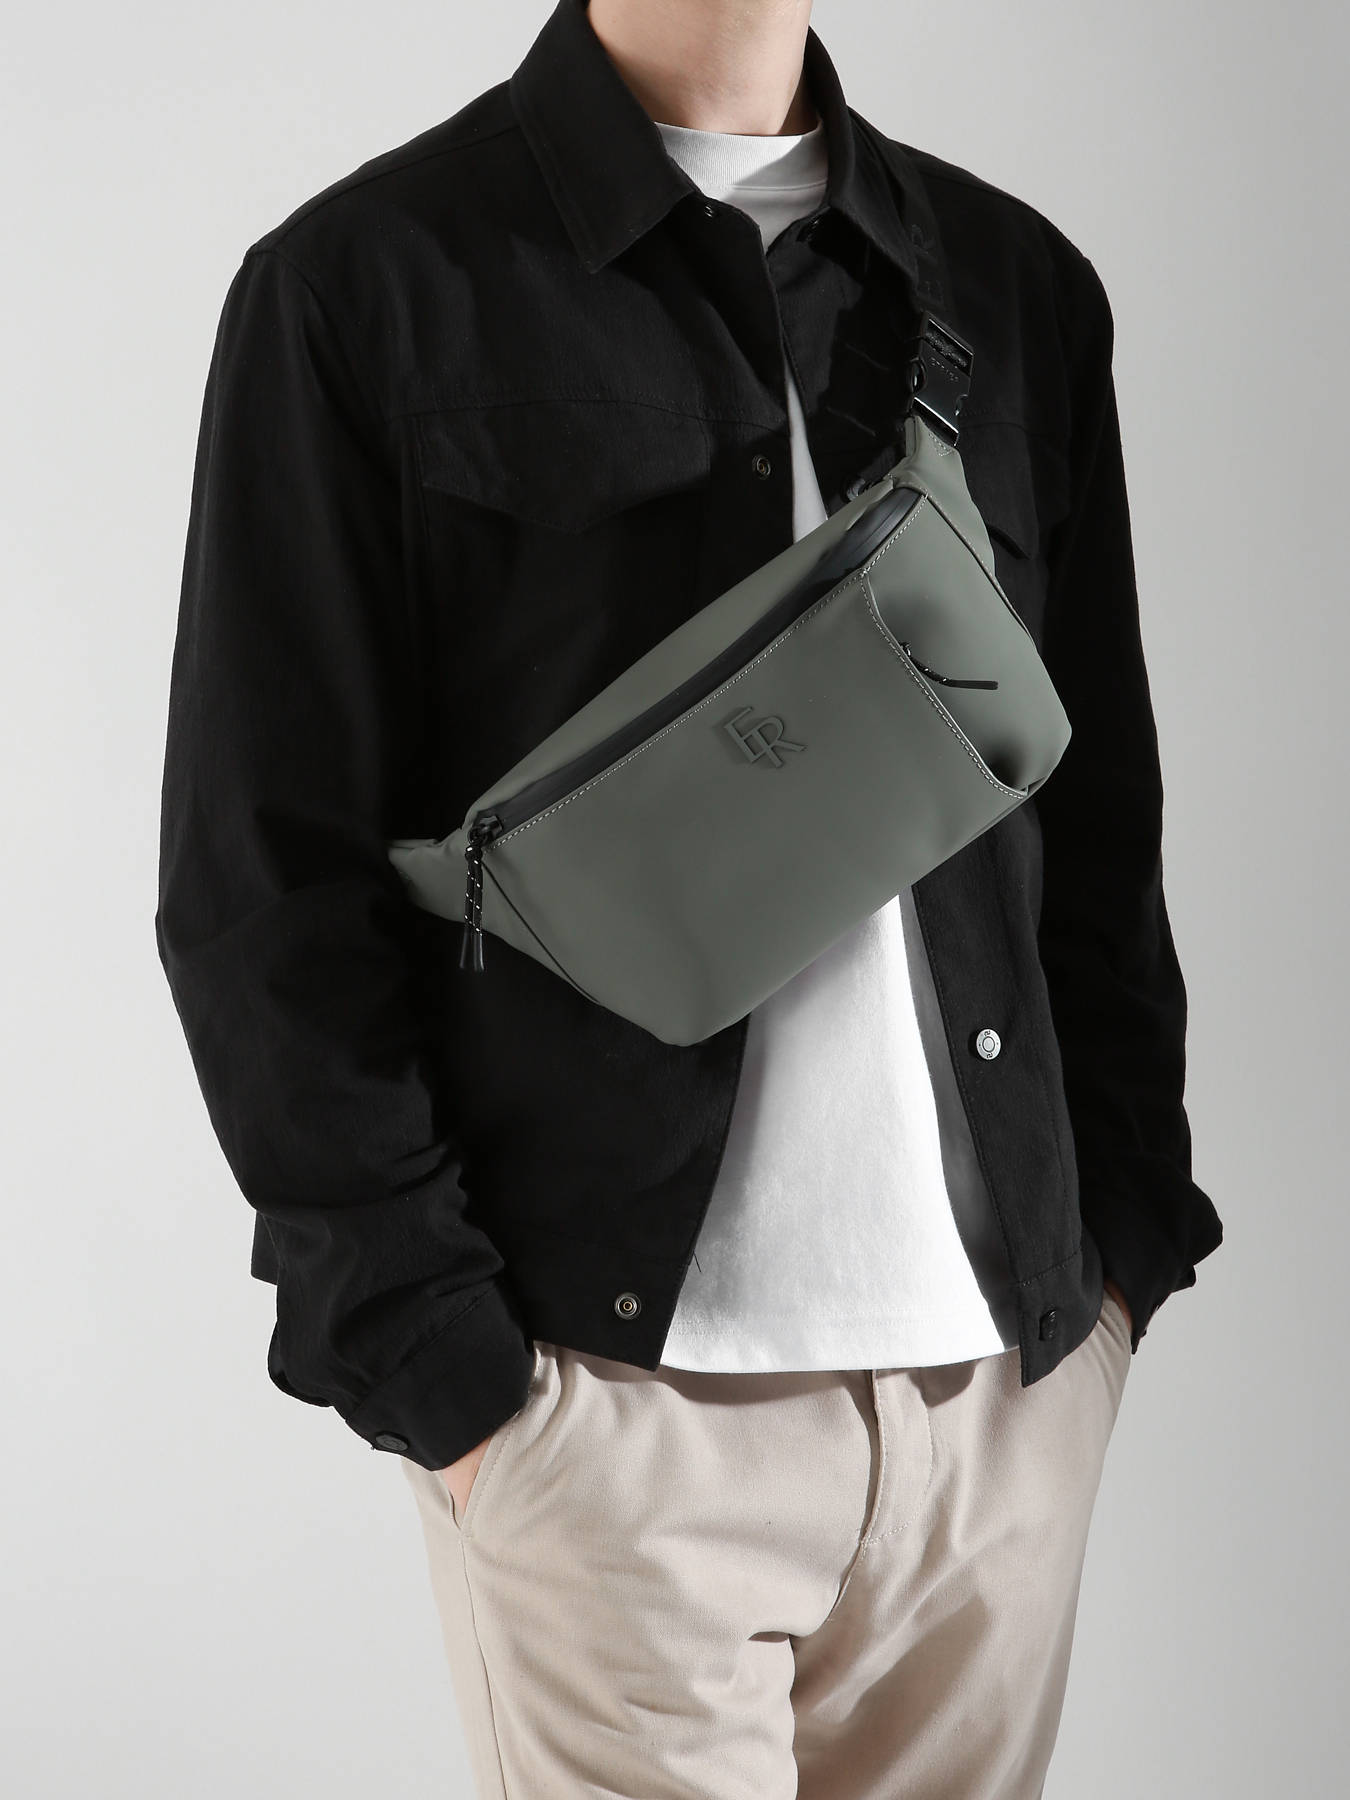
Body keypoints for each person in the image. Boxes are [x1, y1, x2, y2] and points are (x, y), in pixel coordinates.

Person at [154, 0, 1224, 1793]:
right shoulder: (365, 284)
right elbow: (261, 882)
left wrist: (1112, 1274)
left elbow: (1096, 829)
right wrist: (456, 1386)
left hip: (1000, 1408)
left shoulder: (1014, 281)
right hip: (607, 1425)